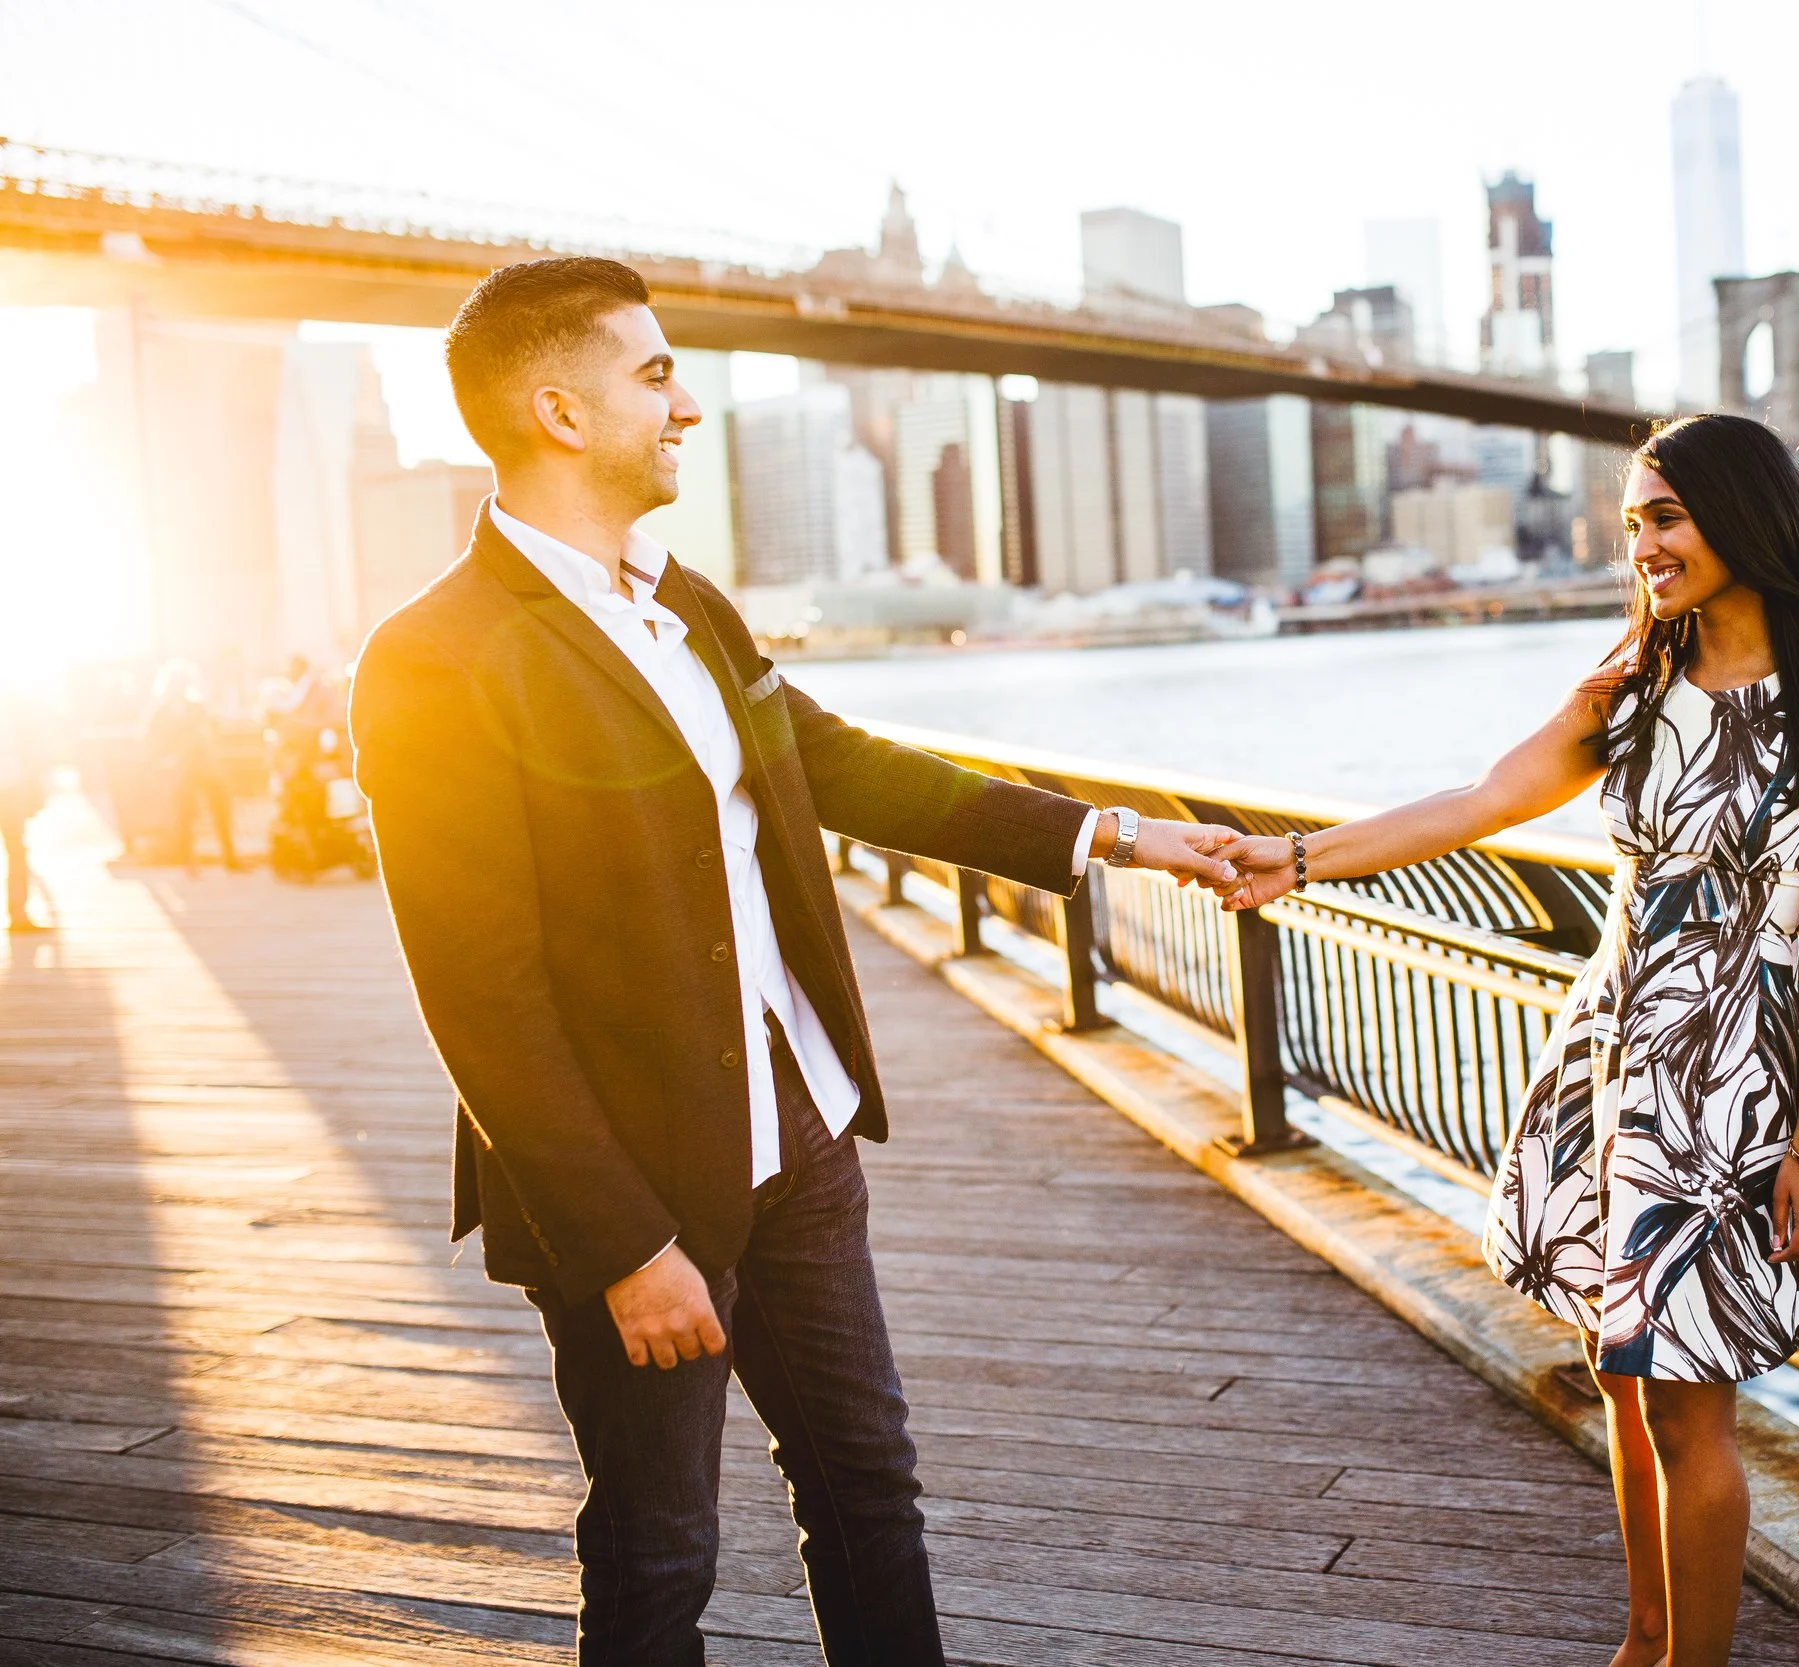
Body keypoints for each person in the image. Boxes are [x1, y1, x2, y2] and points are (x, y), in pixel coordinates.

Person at [349, 257, 1241, 1667]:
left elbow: (841, 766)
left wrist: (1115, 834)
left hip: (800, 1138)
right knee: (662, 1549)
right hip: (639, 1185)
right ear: (559, 410)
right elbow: (479, 991)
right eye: (655, 374)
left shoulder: (689, 601)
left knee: (867, 1484)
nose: (686, 403)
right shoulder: (434, 658)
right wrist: (628, 1247)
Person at [1216, 413, 1799, 1667]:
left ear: (1743, 518)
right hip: (1613, 1049)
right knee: (1619, 1372)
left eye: (1666, 517)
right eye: (1633, 519)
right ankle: (1639, 1646)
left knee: (1694, 1409)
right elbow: (1485, 798)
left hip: (1727, 1075)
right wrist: (1298, 859)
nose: (1639, 543)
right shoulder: (1636, 678)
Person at [141, 660, 240, 876]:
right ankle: (189, 862)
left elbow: (213, 729)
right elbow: (151, 742)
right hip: (182, 768)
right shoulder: (161, 711)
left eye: (183, 682)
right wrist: (165, 759)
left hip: (205, 765)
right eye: (177, 682)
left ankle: (230, 857)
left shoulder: (196, 706)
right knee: (185, 814)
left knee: (220, 809)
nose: (181, 686)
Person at [0, 685, 53, 932]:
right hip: (12, 785)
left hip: (12, 788)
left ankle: (18, 912)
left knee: (17, 848)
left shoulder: (18, 717)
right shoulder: (17, 715)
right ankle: (18, 913)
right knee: (16, 849)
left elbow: (33, 756)